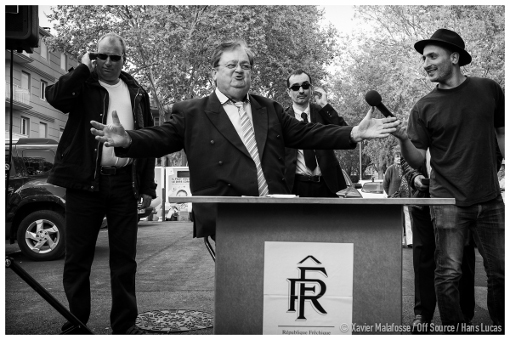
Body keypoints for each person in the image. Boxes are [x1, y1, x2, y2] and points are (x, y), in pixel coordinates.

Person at [90, 38, 399, 240]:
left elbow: (307, 132)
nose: (239, 71)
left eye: (246, 66)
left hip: (275, 211)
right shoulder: (192, 111)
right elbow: (160, 138)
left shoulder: (269, 108)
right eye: (231, 65)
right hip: (228, 215)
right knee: (240, 293)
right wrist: (128, 139)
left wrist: (353, 133)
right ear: (214, 72)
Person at [45, 33, 157, 335]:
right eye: (101, 56)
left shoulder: (136, 92)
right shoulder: (83, 84)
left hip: (123, 184)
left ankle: (124, 325)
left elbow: (146, 141)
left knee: (125, 261)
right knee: (78, 260)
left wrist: (148, 187)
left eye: (114, 57)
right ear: (93, 56)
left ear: (124, 58)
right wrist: (81, 68)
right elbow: (55, 97)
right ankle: (77, 322)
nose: (107, 62)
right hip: (83, 185)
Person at [395, 28, 505, 331]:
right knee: (449, 273)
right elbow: (417, 159)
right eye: (423, 58)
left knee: (501, 272)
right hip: (446, 202)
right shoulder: (423, 107)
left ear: (454, 57)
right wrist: (404, 139)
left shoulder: (490, 89)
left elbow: (500, 132)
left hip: (490, 199)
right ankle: (455, 330)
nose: (426, 63)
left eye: (432, 56)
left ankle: (499, 327)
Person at [401, 155, 476, 333]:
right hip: (423, 200)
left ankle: (463, 315)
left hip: (460, 198)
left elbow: (491, 154)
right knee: (423, 258)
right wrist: (414, 177)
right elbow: (406, 155)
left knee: (461, 257)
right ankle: (422, 315)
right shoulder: (416, 126)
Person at [284, 72, 349, 197]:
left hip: (326, 186)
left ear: (311, 89)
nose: (301, 91)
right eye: (296, 87)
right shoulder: (283, 118)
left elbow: (345, 133)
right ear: (288, 92)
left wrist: (325, 105)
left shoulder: (322, 112)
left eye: (305, 86)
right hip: (294, 187)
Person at [384, 152, 413, 247]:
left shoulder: (407, 169)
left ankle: (410, 241)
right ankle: (399, 241)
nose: (398, 159)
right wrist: (391, 194)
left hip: (406, 197)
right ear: (394, 159)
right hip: (394, 198)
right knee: (397, 219)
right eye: (397, 157)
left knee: (408, 219)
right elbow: (385, 184)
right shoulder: (390, 169)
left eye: (400, 157)